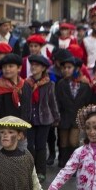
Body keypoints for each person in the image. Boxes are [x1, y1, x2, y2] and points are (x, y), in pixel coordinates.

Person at [21, 54, 60, 182]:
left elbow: (52, 102)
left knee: (41, 146)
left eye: (37, 65)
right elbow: (25, 103)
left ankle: (41, 171)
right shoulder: (27, 83)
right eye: (32, 65)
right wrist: (22, 121)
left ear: (43, 68)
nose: (33, 67)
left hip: (44, 119)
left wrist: (56, 117)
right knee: (30, 146)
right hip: (30, 119)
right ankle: (31, 170)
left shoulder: (49, 84)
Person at [54, 56, 92, 167]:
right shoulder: (61, 84)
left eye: (69, 67)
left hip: (77, 117)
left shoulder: (84, 85)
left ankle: (73, 162)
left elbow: (87, 101)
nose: (66, 70)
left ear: (76, 69)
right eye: (64, 68)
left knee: (73, 141)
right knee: (63, 141)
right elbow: (57, 100)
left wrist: (86, 117)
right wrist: (57, 115)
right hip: (64, 117)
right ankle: (63, 160)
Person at [0, 53, 24, 147]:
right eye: (4, 67)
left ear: (19, 68)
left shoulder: (24, 85)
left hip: (19, 130)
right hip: (2, 132)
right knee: (1, 159)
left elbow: (27, 107)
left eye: (11, 66)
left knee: (20, 159)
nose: (7, 69)